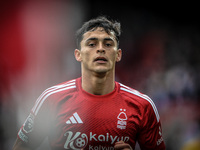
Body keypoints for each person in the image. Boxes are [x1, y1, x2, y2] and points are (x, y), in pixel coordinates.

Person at [13, 16, 165, 150]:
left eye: (108, 44)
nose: (100, 49)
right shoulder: (51, 99)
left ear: (118, 55)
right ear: (78, 55)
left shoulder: (143, 106)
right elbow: (23, 146)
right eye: (92, 44)